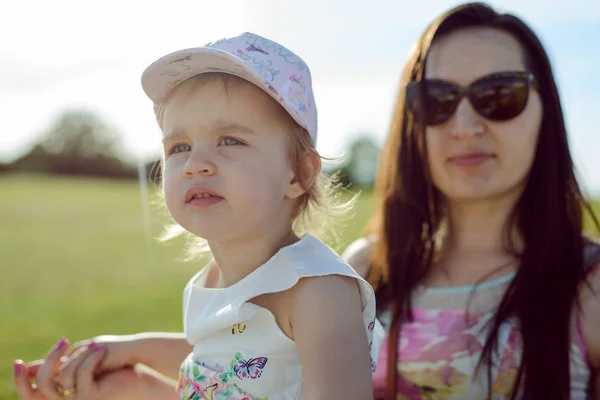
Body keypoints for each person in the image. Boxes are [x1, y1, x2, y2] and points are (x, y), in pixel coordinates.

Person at [14, 32, 382, 400]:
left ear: (298, 174)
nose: (196, 164)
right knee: (115, 387)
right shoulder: (215, 277)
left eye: (230, 140)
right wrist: (126, 355)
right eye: (180, 147)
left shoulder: (317, 292)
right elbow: (226, 361)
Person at [343, 2, 600, 399]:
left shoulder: (591, 288)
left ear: (545, 110)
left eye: (498, 94)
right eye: (437, 100)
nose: (464, 127)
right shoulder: (362, 276)